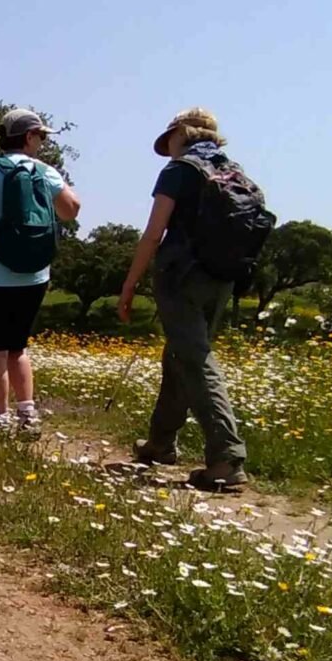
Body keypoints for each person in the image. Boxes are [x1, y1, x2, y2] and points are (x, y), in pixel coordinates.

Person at [118, 107, 249, 491]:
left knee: (194, 358)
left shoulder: (179, 170)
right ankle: (160, 442)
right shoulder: (233, 170)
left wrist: (129, 284)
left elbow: (153, 232)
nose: (169, 147)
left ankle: (226, 458)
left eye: (170, 138)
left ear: (181, 133)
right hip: (222, 278)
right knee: (181, 354)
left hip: (182, 277)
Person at [0, 108, 81, 430]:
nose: (43, 142)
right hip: (34, 276)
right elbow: (71, 210)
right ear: (28, 137)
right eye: (41, 136)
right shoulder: (44, 171)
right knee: (18, 346)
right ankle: (27, 413)